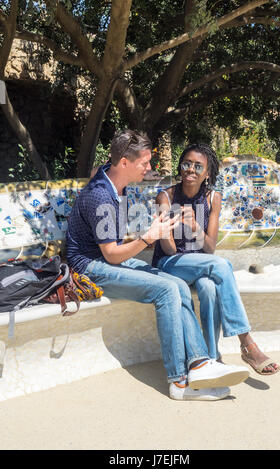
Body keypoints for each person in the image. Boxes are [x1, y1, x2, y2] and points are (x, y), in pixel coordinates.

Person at [66, 130, 250, 401]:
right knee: (166, 290)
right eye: (145, 163)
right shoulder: (102, 197)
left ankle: (199, 364)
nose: (150, 168)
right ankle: (179, 382)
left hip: (106, 257)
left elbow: (99, 169)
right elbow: (112, 256)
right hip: (90, 266)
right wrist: (147, 238)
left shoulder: (114, 178)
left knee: (176, 284)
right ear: (125, 163)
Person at [152, 143, 280, 376]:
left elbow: (209, 248)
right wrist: (169, 224)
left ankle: (211, 358)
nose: (190, 169)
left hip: (202, 264)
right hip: (170, 264)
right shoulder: (166, 197)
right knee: (222, 265)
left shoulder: (213, 198)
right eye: (186, 164)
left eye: (198, 166)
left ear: (208, 173)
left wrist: (194, 227)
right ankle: (247, 342)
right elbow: (168, 250)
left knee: (209, 288)